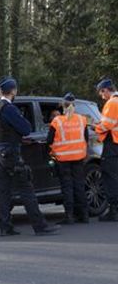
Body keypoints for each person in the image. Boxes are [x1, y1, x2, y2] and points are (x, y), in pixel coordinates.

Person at [0, 77, 60, 236]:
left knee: (4, 192)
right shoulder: (9, 109)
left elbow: (0, 130)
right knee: (26, 189)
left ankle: (5, 226)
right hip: (11, 154)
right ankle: (40, 226)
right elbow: (26, 128)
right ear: (13, 91)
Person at [47, 93, 89, 224]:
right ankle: (84, 215)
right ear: (74, 105)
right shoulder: (82, 119)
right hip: (78, 157)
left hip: (63, 159)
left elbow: (49, 140)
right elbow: (86, 138)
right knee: (79, 186)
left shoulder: (57, 121)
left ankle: (69, 216)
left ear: (63, 106)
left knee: (67, 187)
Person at [94, 78, 118, 222]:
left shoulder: (112, 102)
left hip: (113, 144)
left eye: (102, 93)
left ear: (106, 90)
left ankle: (113, 210)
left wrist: (95, 128)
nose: (102, 97)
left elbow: (106, 125)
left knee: (110, 177)